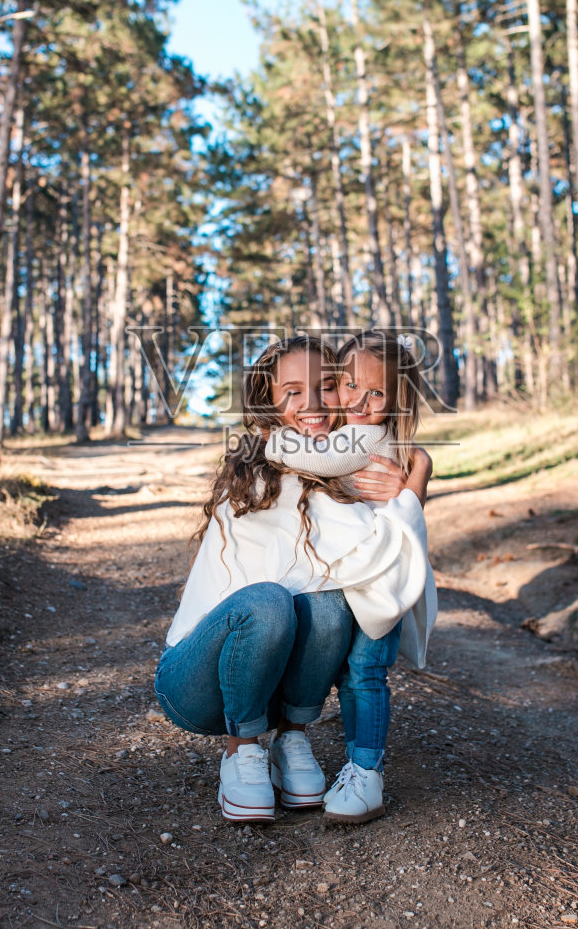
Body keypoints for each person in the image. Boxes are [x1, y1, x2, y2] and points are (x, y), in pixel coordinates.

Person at [154, 336, 431, 822]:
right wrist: (416, 478)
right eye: (294, 391)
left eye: (327, 386)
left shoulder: (346, 470)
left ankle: (291, 738)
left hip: (270, 680)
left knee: (328, 599)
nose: (316, 403)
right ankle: (241, 749)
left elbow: (375, 555)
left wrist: (415, 474)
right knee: (268, 601)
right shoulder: (258, 470)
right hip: (196, 682)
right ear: (270, 398)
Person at [265, 330, 435, 823]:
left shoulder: (367, 439)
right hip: (358, 579)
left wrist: (267, 437)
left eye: (376, 393)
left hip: (379, 582)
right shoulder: (361, 433)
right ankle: (349, 763)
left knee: (365, 673)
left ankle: (367, 772)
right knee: (350, 673)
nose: (358, 401)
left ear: (397, 401)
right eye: (347, 385)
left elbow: (310, 456)